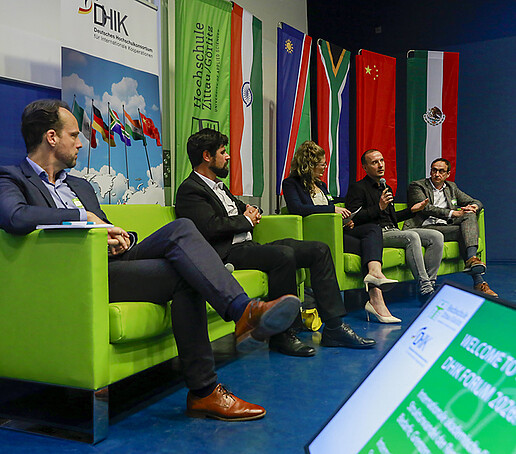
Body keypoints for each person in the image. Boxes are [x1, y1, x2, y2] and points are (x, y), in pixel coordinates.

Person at [0, 99, 303, 422]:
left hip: (112, 261)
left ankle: (242, 316)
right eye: (74, 135)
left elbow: (106, 227)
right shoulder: (13, 178)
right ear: (51, 137)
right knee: (186, 274)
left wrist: (123, 238)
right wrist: (82, 217)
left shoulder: (80, 185)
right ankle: (209, 383)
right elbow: (15, 217)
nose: (80, 143)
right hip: (80, 276)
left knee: (181, 229)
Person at [175, 128, 376, 356]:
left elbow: (242, 209)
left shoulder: (219, 187)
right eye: (223, 152)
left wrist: (252, 210)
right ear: (206, 156)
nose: (228, 156)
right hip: (227, 253)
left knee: (318, 249)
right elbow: (209, 227)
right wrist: (246, 220)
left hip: (249, 247)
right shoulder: (190, 190)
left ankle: (334, 327)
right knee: (283, 255)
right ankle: (283, 335)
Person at [283, 141, 400, 323]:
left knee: (372, 229)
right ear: (309, 164)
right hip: (317, 236)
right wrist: (332, 210)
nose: (325, 168)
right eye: (322, 164)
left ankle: (375, 273)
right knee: (367, 248)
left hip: (337, 231)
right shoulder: (291, 184)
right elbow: (298, 208)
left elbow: (330, 210)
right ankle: (376, 300)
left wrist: (346, 220)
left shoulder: (321, 185)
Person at [345, 149, 444, 297]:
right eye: (375, 162)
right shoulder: (358, 188)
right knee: (411, 237)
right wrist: (378, 207)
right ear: (365, 167)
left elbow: (391, 218)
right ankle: (424, 286)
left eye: (382, 161)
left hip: (393, 230)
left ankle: (430, 282)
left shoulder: (386, 187)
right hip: (377, 234)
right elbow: (354, 219)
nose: (380, 165)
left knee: (436, 236)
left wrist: (412, 210)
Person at [404, 157, 497, 296]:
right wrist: (453, 213)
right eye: (434, 170)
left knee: (469, 215)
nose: (437, 174)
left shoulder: (451, 187)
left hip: (445, 228)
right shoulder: (417, 186)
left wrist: (474, 207)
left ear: (447, 174)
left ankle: (472, 260)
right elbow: (425, 208)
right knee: (464, 232)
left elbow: (475, 201)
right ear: (430, 171)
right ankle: (478, 281)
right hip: (425, 228)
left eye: (441, 171)